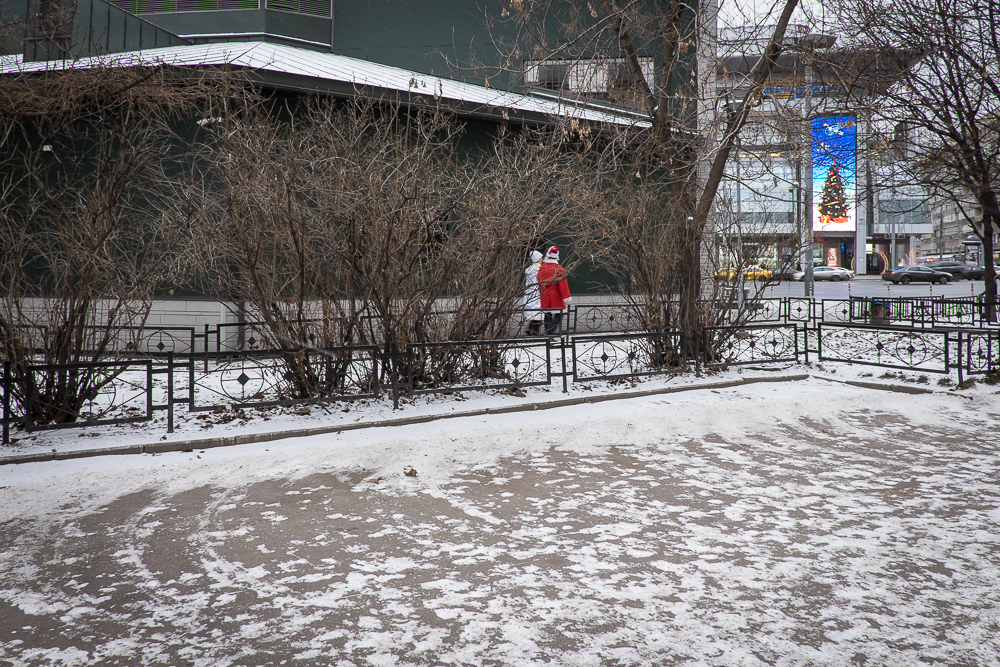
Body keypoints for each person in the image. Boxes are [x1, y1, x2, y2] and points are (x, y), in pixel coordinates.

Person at [536, 245, 571, 335]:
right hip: (555, 294)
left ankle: (547, 334)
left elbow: (538, 279)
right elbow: (563, 284)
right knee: (559, 314)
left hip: (544, 293)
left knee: (548, 314)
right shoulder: (558, 268)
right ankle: (549, 332)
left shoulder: (542, 267)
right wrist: (566, 297)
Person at [523, 250, 544, 335]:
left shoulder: (529, 270)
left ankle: (530, 329)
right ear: (537, 259)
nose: (542, 259)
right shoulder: (539, 269)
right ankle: (535, 332)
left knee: (534, 313)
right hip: (537, 293)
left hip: (529, 294)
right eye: (540, 258)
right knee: (537, 313)